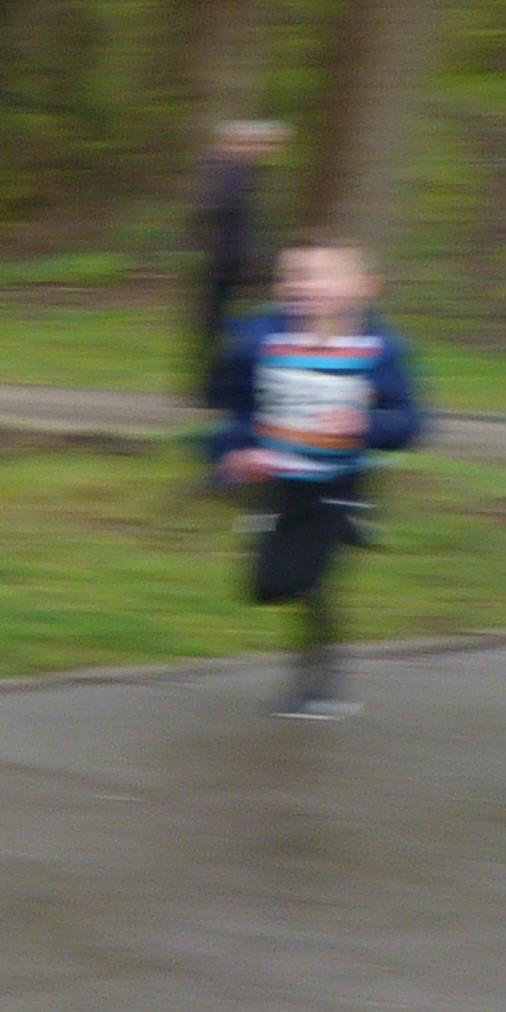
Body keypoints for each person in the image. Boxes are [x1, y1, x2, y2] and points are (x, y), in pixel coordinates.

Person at [204, 239, 424, 721]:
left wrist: (366, 423)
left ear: (364, 287)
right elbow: (238, 410)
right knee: (270, 587)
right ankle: (320, 665)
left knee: (303, 578)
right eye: (292, 275)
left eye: (319, 275)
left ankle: (322, 684)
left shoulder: (378, 349)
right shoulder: (263, 341)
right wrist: (233, 454)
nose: (302, 285)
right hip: (281, 479)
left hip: (338, 481)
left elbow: (411, 421)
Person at [187, 121, 286, 394]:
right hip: (224, 263)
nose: (266, 150)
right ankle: (210, 386)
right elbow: (216, 217)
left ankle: (219, 384)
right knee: (217, 325)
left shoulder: (240, 172)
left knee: (225, 325)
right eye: (262, 144)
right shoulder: (224, 173)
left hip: (236, 263)